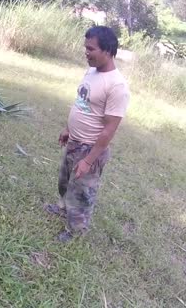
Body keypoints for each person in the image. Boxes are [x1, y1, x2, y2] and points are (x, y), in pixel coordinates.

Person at [45, 26, 130, 242]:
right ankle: (63, 209)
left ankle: (75, 231)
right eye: (85, 48)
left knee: (81, 193)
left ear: (108, 51)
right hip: (74, 141)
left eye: (91, 49)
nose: (86, 52)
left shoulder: (117, 85)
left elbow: (109, 129)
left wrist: (89, 160)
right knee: (64, 182)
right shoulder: (91, 72)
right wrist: (68, 129)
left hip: (90, 148)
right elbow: (81, 104)